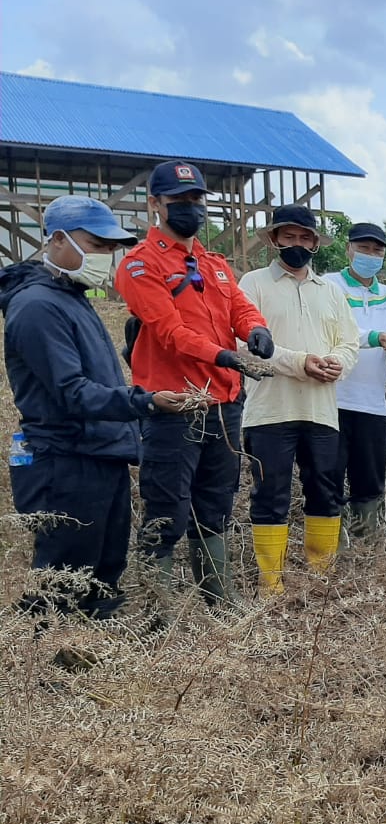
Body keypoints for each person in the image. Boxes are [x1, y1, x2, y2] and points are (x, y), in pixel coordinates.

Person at [1, 196, 193, 621]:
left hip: (99, 452)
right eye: (96, 244)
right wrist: (145, 401)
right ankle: (45, 654)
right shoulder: (38, 306)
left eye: (110, 248)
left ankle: (92, 647)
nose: (105, 256)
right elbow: (72, 392)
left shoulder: (70, 296)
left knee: (103, 572)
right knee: (64, 578)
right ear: (57, 240)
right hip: (65, 460)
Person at [114, 160, 273, 607]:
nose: (190, 207)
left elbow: (239, 306)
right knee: (166, 508)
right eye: (179, 199)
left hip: (224, 404)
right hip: (176, 405)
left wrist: (255, 328)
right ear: (155, 203)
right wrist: (224, 355)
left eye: (196, 198)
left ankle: (218, 599)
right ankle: (157, 610)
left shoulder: (213, 263)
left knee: (216, 504)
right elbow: (168, 331)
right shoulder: (140, 265)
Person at [238, 205, 360, 595]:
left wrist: (337, 363)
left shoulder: (331, 292)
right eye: (289, 236)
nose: (298, 244)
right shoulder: (253, 284)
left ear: (315, 244)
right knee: (270, 493)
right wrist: (300, 362)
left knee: (325, 489)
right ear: (274, 240)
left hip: (321, 411)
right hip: (269, 411)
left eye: (305, 238)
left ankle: (319, 576)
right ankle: (270, 583)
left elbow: (350, 342)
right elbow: (244, 345)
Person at [322, 222, 386, 538]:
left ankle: (365, 537)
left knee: (369, 473)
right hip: (331, 397)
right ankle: (332, 538)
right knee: (328, 472)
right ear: (348, 249)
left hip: (372, 401)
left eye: (377, 250)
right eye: (363, 248)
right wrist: (376, 337)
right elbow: (334, 330)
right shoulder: (328, 285)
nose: (370, 255)